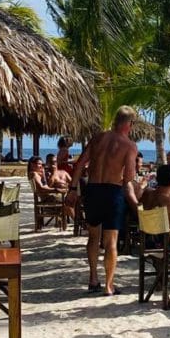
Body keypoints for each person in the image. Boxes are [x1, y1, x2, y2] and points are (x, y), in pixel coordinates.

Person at [68, 106, 139, 296]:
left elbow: (80, 163)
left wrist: (73, 189)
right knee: (111, 242)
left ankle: (93, 278)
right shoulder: (129, 146)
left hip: (92, 190)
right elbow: (129, 177)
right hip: (112, 192)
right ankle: (109, 285)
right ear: (130, 124)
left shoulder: (98, 138)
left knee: (93, 237)